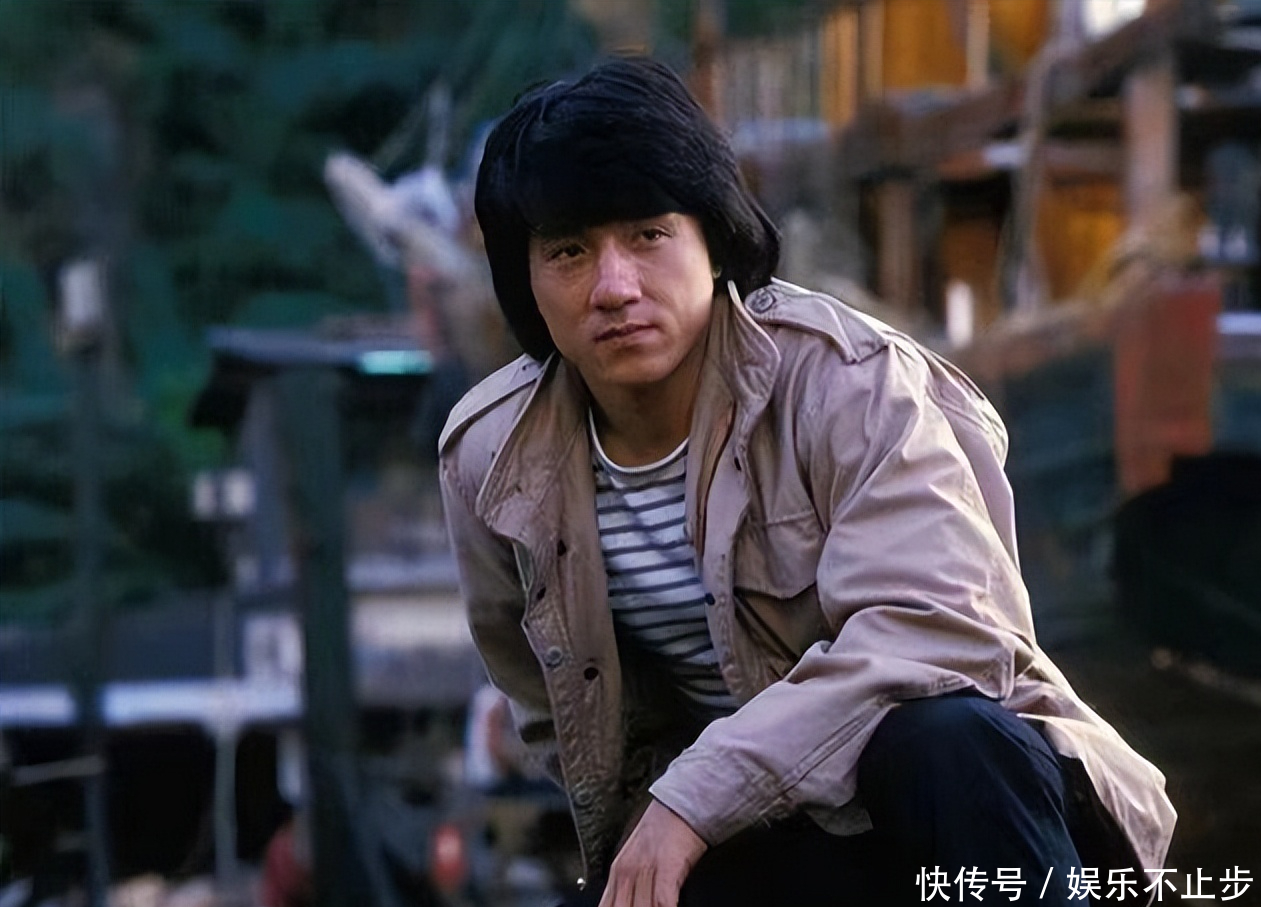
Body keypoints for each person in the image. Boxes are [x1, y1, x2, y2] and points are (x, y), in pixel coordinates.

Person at [438, 56, 1175, 907]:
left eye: (647, 236)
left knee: (946, 734)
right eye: (568, 251)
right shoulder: (492, 457)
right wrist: (661, 828)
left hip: (955, 815)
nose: (614, 288)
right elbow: (555, 712)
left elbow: (937, 634)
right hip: (745, 838)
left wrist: (694, 795)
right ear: (524, 279)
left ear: (712, 239)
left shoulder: (847, 381)